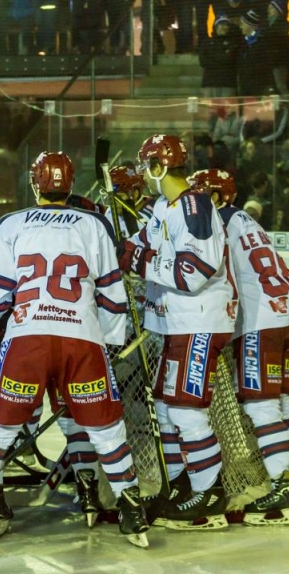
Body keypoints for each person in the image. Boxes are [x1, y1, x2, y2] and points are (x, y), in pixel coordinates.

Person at [0, 151, 148, 549]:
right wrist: (110, 344)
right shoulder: (93, 224)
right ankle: (132, 511)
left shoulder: (9, 223)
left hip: (27, 338)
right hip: (82, 337)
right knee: (104, 427)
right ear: (71, 184)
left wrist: (3, 316)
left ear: (35, 184)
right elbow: (113, 294)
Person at [118, 135, 237, 531]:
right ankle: (182, 483)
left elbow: (193, 273)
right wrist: (119, 245)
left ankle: (210, 494)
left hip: (198, 322)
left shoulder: (195, 204)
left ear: (159, 166)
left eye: (147, 165)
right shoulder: (161, 207)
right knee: (168, 409)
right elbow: (138, 246)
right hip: (176, 323)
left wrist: (139, 259)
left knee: (186, 408)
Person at [190, 168, 289, 525]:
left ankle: (283, 486)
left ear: (214, 196)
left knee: (261, 408)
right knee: (285, 404)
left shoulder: (217, 223)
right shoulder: (249, 221)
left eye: (198, 195)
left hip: (260, 324)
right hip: (288, 317)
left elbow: (203, 271)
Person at [199, 14, 243, 98]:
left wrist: (214, 58)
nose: (224, 27)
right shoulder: (206, 42)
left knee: (227, 110)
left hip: (227, 83)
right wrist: (222, 58)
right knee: (210, 110)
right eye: (221, 24)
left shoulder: (233, 43)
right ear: (216, 26)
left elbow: (230, 59)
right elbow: (203, 61)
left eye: (226, 24)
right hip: (209, 83)